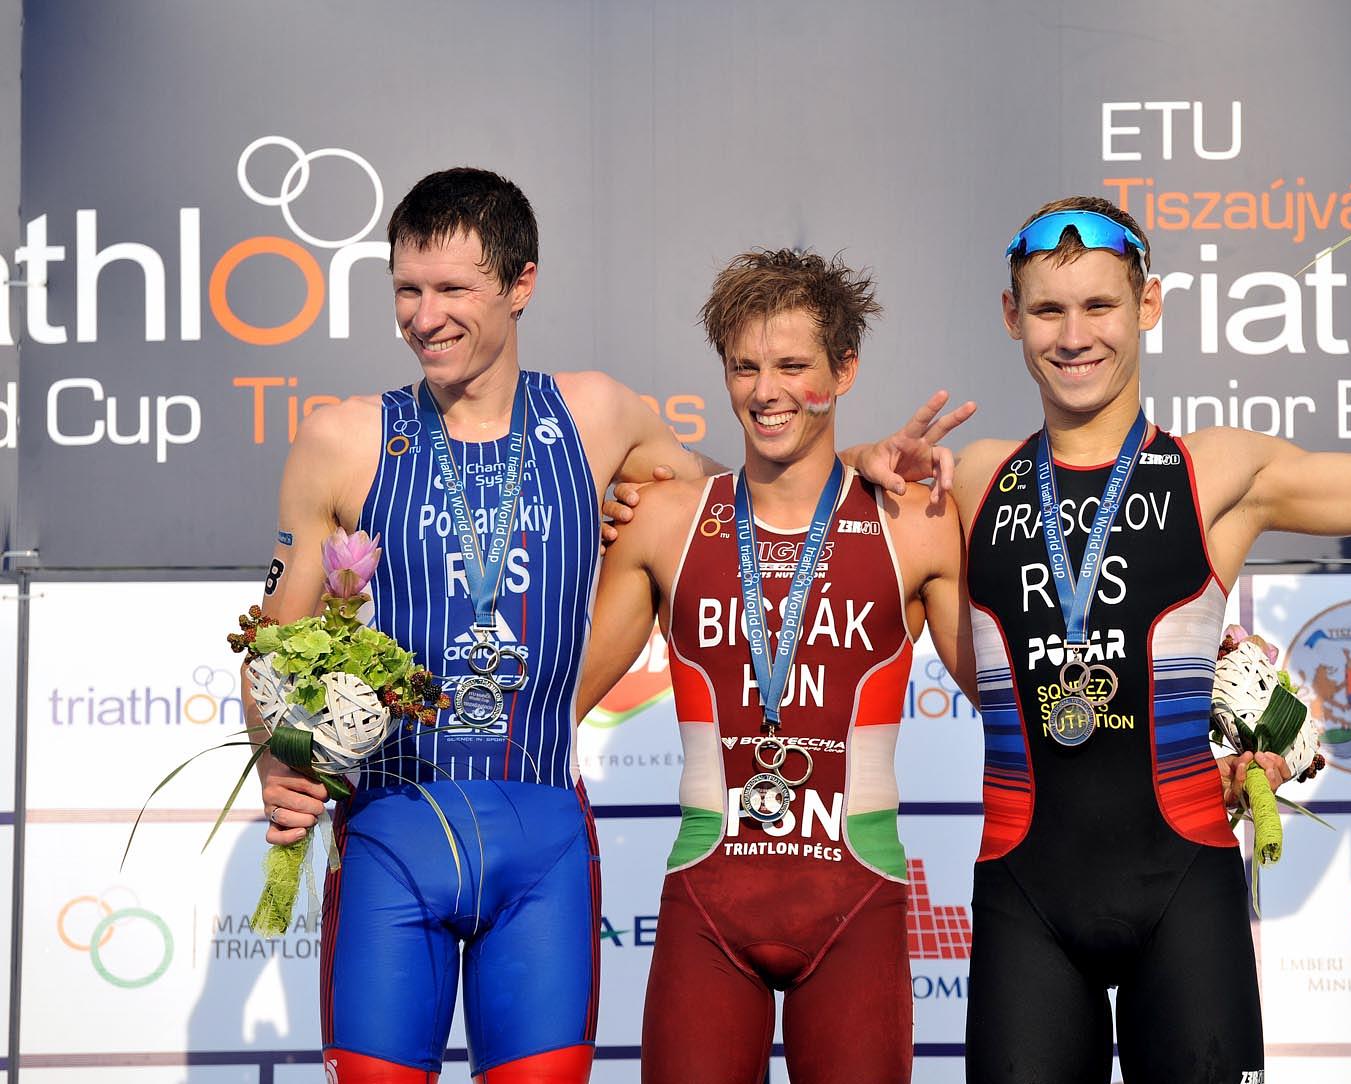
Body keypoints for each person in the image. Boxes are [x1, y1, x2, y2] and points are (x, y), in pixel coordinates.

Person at [859, 194, 1351, 1083]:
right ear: (1010, 316)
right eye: (1049, 310)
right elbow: (769, 517)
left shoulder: (1217, 472)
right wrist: (857, 462)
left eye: (1099, 305)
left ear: (1148, 305)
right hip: (1025, 903)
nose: (1074, 336)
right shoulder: (971, 478)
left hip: (1183, 896)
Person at [249, 168, 724, 1084]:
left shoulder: (596, 413)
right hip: (390, 835)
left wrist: (855, 461)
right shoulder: (343, 438)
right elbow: (272, 647)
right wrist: (280, 759)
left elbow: (751, 499)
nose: (424, 317)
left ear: (520, 283)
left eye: (452, 290)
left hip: (543, 840)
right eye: (407, 290)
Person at [576, 249, 975, 1083]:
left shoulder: (915, 523)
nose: (766, 392)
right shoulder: (663, 521)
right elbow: (554, 701)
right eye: (744, 367)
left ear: (844, 370)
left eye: (793, 367)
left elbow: (1012, 705)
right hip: (707, 905)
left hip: (856, 903)